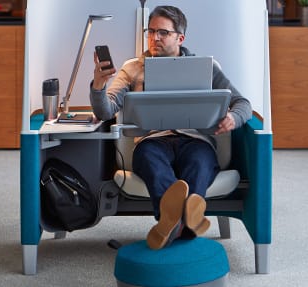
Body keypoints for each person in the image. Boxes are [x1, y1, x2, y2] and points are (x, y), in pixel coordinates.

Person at [90, 5, 252, 249]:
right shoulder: (132, 68)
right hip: (151, 142)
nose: (155, 38)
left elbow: (243, 104)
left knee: (199, 163)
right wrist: (99, 86)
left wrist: (233, 118)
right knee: (153, 163)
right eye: (151, 31)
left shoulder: (205, 67)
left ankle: (171, 223)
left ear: (180, 37)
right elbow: (105, 110)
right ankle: (189, 221)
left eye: (163, 32)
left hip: (195, 141)